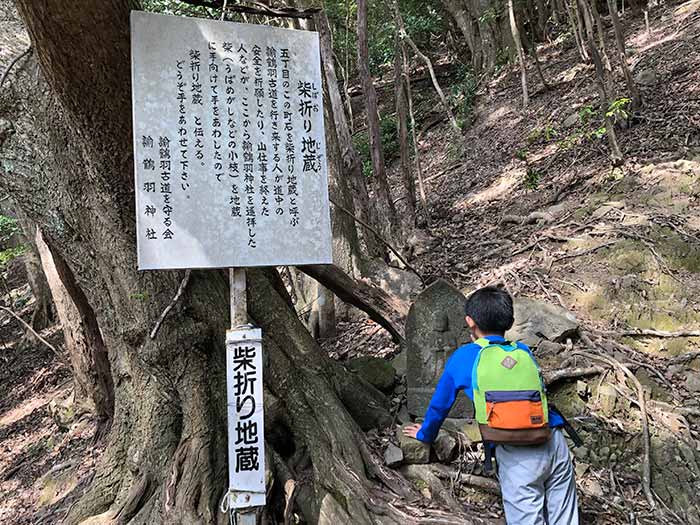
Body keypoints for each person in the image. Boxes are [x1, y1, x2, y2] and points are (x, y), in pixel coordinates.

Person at [403, 286, 579, 525]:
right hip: (553, 439)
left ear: (470, 322)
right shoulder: (522, 350)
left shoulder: (465, 357)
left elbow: (439, 406)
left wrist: (425, 434)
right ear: (509, 321)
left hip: (517, 450)